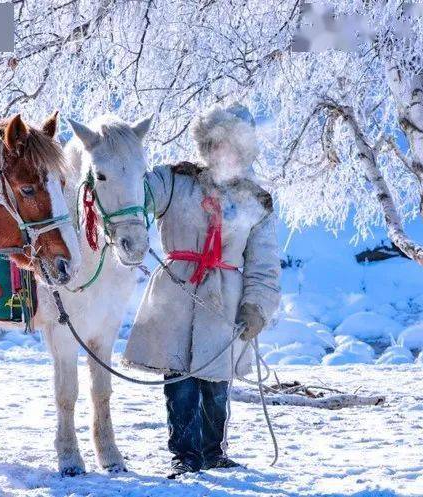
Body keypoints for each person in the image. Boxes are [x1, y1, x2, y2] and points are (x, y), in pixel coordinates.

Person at [123, 103, 281, 478]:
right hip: (176, 291)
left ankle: (214, 452)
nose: (221, 151)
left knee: (216, 382)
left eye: (230, 145)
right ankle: (184, 454)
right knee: (179, 380)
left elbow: (264, 263)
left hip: (225, 298)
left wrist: (257, 306)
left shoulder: (254, 202)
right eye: (215, 143)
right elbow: (134, 195)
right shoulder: (174, 181)